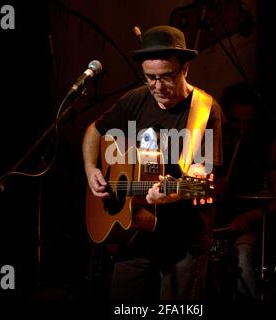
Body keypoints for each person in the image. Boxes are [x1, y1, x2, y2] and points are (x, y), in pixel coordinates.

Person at [82, 25, 223, 300]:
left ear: (185, 70)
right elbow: (93, 131)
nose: (157, 86)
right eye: (150, 78)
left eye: (166, 77)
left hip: (183, 243)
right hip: (134, 238)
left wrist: (169, 195)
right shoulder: (136, 99)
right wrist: (91, 169)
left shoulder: (205, 111)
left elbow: (203, 185)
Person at [213, 83, 276, 301]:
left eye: (248, 122)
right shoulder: (212, 144)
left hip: (251, 225)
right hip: (217, 224)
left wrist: (247, 217)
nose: (243, 129)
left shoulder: (268, 146)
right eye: (236, 122)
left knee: (242, 257)